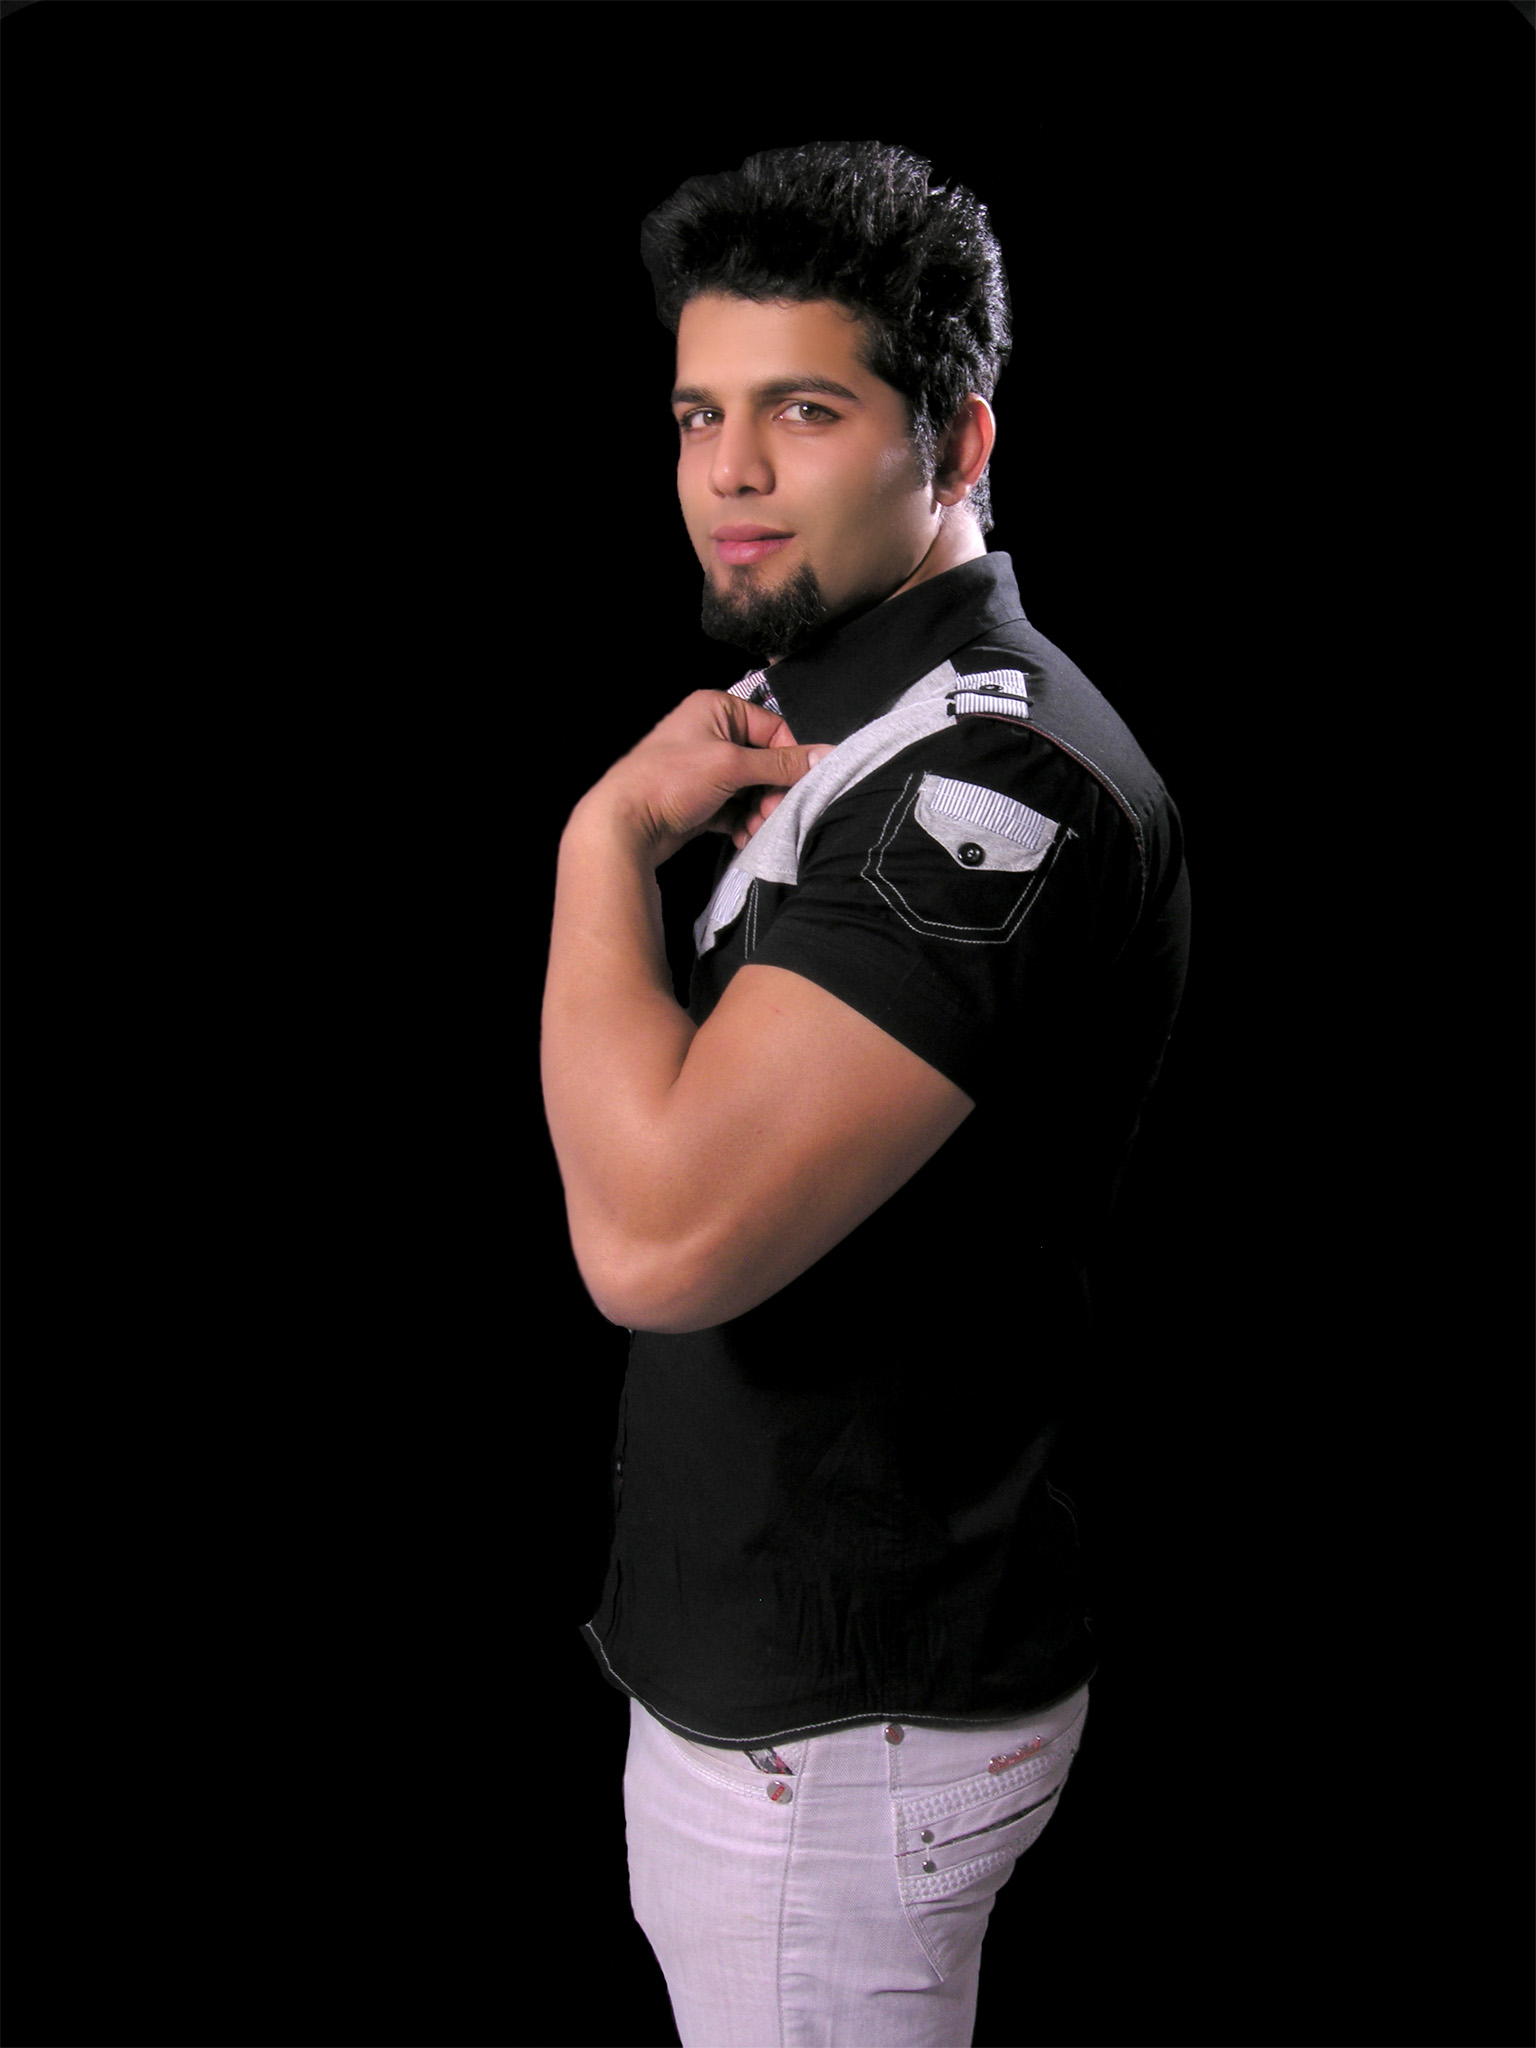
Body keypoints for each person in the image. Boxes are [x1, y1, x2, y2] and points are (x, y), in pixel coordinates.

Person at [540, 139, 1190, 2048]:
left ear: (957, 441)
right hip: (793, 1698)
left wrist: (598, 845)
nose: (729, 474)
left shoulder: (990, 784)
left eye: (804, 411)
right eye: (699, 414)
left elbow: (658, 1241)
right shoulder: (840, 719)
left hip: (836, 1743)